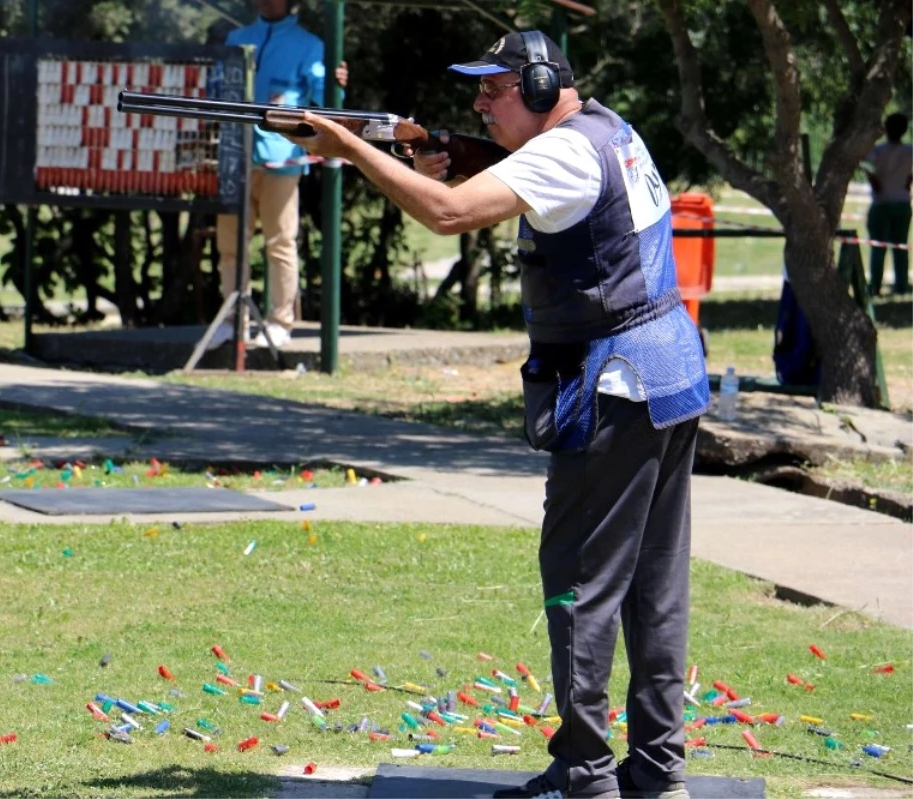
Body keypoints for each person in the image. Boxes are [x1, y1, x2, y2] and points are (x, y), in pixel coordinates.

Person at [280, 30, 709, 799]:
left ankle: (585, 774)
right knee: (654, 586)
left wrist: (350, 148)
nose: (480, 101)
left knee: (579, 579)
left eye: (495, 87)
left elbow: (446, 215)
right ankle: (657, 769)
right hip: (668, 372)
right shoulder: (609, 130)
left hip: (614, 384)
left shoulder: (560, 153)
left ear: (543, 85)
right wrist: (423, 157)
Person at [209, 0, 348, 349]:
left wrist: (339, 84)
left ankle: (279, 322)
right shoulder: (238, 38)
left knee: (281, 242)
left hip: (283, 159)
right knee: (229, 245)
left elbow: (327, 100)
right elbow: (214, 87)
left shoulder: (310, 44)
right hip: (234, 157)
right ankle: (232, 321)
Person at [862, 113, 913, 296]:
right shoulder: (909, 151)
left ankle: (875, 285)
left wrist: (875, 182)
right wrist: (908, 180)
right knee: (900, 246)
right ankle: (901, 285)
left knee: (878, 246)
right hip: (902, 201)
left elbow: (865, 166)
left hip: (881, 202)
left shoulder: (878, 151)